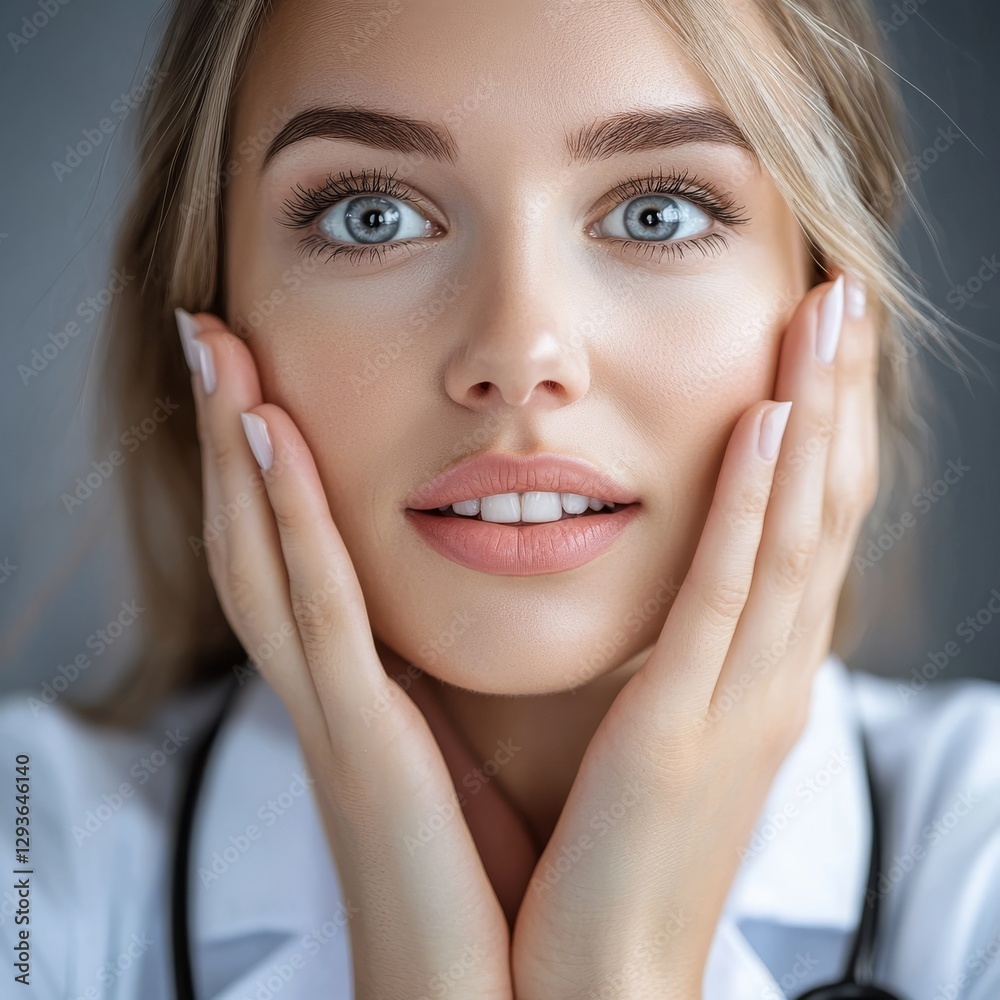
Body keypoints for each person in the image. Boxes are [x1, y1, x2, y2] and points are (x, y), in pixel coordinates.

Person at [1, 0, 998, 997]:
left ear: (832, 303)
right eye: (371, 215)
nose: (519, 357)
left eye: (657, 210)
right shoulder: (30, 866)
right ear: (211, 309)